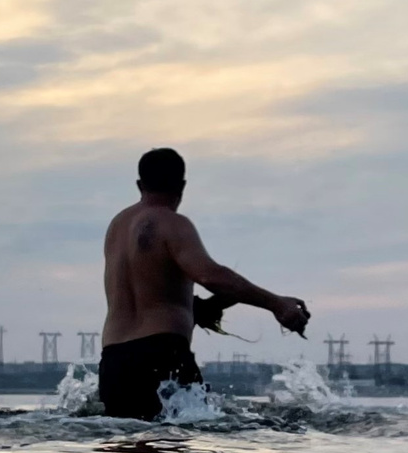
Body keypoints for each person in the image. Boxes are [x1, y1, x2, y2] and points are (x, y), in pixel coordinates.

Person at [98, 148, 311, 420]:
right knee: (176, 442)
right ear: (182, 186)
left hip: (113, 361)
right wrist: (276, 304)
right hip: (161, 355)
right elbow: (210, 276)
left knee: (125, 442)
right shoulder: (173, 223)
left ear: (140, 185)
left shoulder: (117, 227)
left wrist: (203, 308)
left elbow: (151, 294)